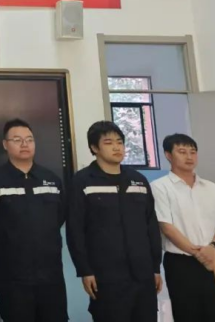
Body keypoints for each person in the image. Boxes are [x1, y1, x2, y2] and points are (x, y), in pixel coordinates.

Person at [66, 121, 162, 322]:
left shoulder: (138, 180)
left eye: (120, 142)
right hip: (106, 276)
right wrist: (85, 270)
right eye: (108, 143)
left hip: (142, 273)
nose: (117, 147)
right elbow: (75, 230)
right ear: (94, 148)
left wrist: (155, 267)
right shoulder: (83, 181)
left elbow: (151, 225)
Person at [150, 133, 215, 322]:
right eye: (182, 152)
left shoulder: (211, 187)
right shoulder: (159, 187)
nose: (189, 157)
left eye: (193, 152)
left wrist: (213, 248)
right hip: (181, 263)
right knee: (187, 314)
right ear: (168, 155)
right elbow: (167, 227)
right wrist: (198, 252)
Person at [0, 119, 67, 322]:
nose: (25, 144)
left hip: (51, 276)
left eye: (29, 139)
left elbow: (59, 216)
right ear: (5, 144)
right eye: (17, 140)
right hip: (13, 277)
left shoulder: (51, 179)